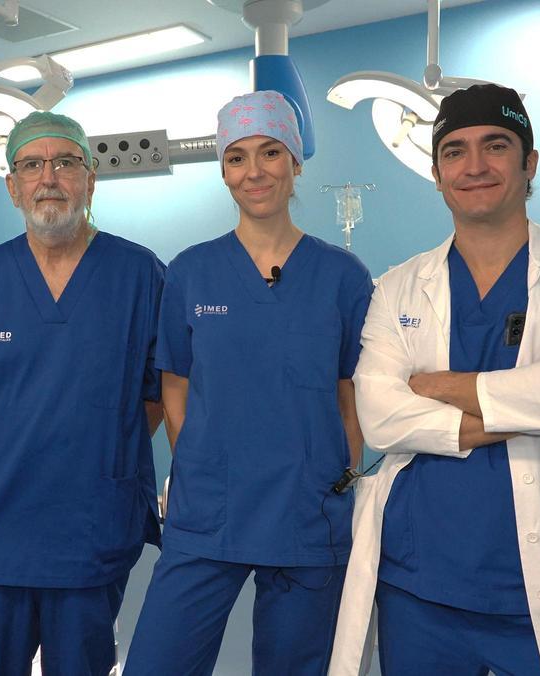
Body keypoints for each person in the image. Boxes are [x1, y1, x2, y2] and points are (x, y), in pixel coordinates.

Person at [327, 84, 540, 675]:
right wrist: (536, 389)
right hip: (420, 583)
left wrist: (433, 384)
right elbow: (380, 416)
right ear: (437, 174)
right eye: (454, 151)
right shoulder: (398, 286)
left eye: (496, 145)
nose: (475, 165)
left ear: (529, 162)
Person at [124, 91, 373, 676]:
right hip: (209, 510)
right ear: (222, 171)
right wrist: (200, 467)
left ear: (295, 163)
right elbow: (175, 385)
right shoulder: (191, 271)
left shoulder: (342, 276)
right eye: (236, 157)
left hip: (308, 510)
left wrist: (341, 479)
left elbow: (351, 395)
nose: (253, 171)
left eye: (270, 152)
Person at [0, 111, 165, 676]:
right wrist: (20, 440)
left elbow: (158, 393)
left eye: (65, 162)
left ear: (90, 178)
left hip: (91, 525)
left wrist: (100, 445)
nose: (47, 176)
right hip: (0, 523)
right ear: (11, 185)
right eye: (31, 164)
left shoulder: (140, 274)